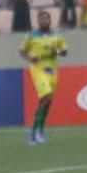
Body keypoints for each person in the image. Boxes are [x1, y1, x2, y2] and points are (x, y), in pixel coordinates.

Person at [20, 10, 68, 145]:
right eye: (41, 19)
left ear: (50, 20)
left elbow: (64, 51)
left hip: (52, 69)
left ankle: (38, 129)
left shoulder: (56, 35)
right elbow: (22, 50)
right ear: (38, 21)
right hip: (38, 68)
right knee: (46, 97)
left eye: (46, 18)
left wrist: (57, 51)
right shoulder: (31, 35)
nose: (44, 21)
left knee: (47, 100)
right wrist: (30, 57)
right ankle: (35, 131)